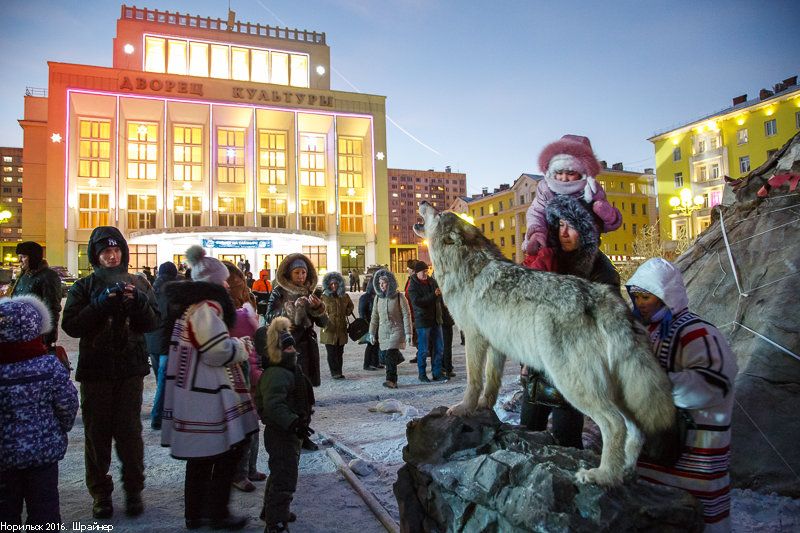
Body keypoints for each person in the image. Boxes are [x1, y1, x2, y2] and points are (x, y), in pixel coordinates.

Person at [627, 258, 738, 532]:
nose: (641, 302)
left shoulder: (698, 333)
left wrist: (650, 383)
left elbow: (714, 383)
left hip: (693, 454)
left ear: (667, 296)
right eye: (637, 296)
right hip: (655, 454)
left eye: (648, 296)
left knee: (695, 519)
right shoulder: (644, 331)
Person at [61, 226, 159, 519]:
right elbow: (72, 326)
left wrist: (140, 304)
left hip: (130, 370)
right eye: (106, 251)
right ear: (96, 255)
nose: (112, 256)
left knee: (130, 435)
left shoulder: (139, 283)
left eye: (116, 250)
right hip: (96, 372)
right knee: (97, 436)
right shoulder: (84, 287)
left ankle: (133, 490)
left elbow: (153, 323)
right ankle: (101, 494)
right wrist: (100, 305)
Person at [160, 246, 258, 531]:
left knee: (201, 457)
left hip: (194, 392)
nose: (228, 285)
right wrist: (241, 347)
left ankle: (198, 514)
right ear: (214, 283)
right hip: (206, 395)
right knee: (221, 452)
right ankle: (215, 513)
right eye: (224, 280)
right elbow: (215, 351)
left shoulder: (190, 307)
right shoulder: (207, 308)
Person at [520, 194, 621, 448]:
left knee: (566, 441)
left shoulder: (601, 271)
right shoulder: (548, 261)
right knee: (526, 436)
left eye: (572, 226)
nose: (564, 232)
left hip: (573, 372)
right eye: (560, 224)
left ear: (587, 230)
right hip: (538, 369)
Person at [0, 295, 78, 526]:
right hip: (42, 454)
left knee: (5, 513)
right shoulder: (49, 366)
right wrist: (58, 429)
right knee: (44, 512)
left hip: (3, 457)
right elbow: (67, 404)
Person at [255, 317, 315, 533]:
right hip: (280, 432)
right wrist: (293, 423)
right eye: (286, 347)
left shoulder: (289, 369)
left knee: (280, 473)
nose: (292, 350)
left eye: (292, 345)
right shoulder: (277, 373)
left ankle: (271, 510)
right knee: (284, 477)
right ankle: (275, 522)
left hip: (289, 432)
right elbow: (274, 406)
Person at [522, 134, 622, 260]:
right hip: (553, 248)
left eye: (570, 173)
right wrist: (536, 234)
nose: (564, 178)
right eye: (559, 173)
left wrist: (608, 216)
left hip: (584, 251)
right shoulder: (547, 188)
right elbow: (536, 212)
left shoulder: (591, 190)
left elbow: (603, 224)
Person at [264, 253, 327, 451]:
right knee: (289, 393)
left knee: (306, 394)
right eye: (297, 272)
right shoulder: (278, 292)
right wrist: (289, 309)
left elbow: (325, 323)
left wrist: (318, 308)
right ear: (288, 273)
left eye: (303, 272)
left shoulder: (311, 292)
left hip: (307, 348)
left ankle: (304, 432)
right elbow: (269, 317)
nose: (300, 276)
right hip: (286, 348)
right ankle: (290, 433)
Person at [221, 261, 265, 493]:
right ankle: (238, 474)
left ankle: (250, 468)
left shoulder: (246, 307)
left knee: (253, 426)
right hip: (236, 375)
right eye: (238, 287)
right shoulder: (227, 314)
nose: (243, 291)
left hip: (251, 370)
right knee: (241, 429)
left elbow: (255, 343)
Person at [6, 241, 62, 352]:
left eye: (23, 257)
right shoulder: (22, 276)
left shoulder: (48, 276)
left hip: (37, 337)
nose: (19, 260)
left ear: (33, 257)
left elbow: (51, 309)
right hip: (19, 335)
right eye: (19, 256)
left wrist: (48, 341)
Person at [144, 261, 181, 430]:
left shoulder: (152, 289)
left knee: (162, 380)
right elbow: (168, 318)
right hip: (165, 341)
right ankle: (158, 417)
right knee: (164, 380)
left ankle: (165, 413)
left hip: (152, 341)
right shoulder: (172, 292)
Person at [367, 269, 412, 389]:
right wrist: (371, 333)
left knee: (390, 354)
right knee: (385, 355)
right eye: (380, 283)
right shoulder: (378, 298)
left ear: (390, 283)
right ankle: (398, 356)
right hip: (383, 331)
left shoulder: (399, 297)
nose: (381, 285)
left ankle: (391, 380)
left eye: (384, 283)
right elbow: (374, 316)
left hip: (396, 329)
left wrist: (408, 333)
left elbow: (406, 315)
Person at [407, 261, 447, 382]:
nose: (425, 273)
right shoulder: (413, 285)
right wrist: (433, 296)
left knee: (439, 348)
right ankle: (422, 373)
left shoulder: (432, 281)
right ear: (417, 272)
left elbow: (439, 296)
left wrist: (437, 296)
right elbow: (418, 302)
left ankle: (437, 372)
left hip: (435, 320)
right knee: (423, 350)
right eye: (423, 271)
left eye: (426, 271)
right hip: (423, 321)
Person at [320, 271, 353, 380]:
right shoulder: (323, 297)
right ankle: (335, 372)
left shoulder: (344, 296)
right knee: (331, 352)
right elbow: (316, 311)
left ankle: (339, 370)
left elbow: (350, 307)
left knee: (340, 351)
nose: (334, 286)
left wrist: (347, 311)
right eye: (331, 284)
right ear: (327, 285)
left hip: (341, 328)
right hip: (329, 329)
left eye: (336, 283)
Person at [359, 276, 381, 371]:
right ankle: (367, 364)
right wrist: (365, 324)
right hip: (369, 323)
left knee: (377, 344)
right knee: (371, 344)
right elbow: (362, 312)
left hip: (379, 324)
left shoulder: (379, 296)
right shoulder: (365, 297)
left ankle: (375, 362)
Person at [403, 258, 418, 356]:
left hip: (415, 314)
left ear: (412, 270)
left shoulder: (416, 282)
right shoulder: (410, 280)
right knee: (415, 338)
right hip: (410, 313)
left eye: (408, 268)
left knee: (417, 337)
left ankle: (422, 353)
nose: (407, 270)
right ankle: (419, 353)